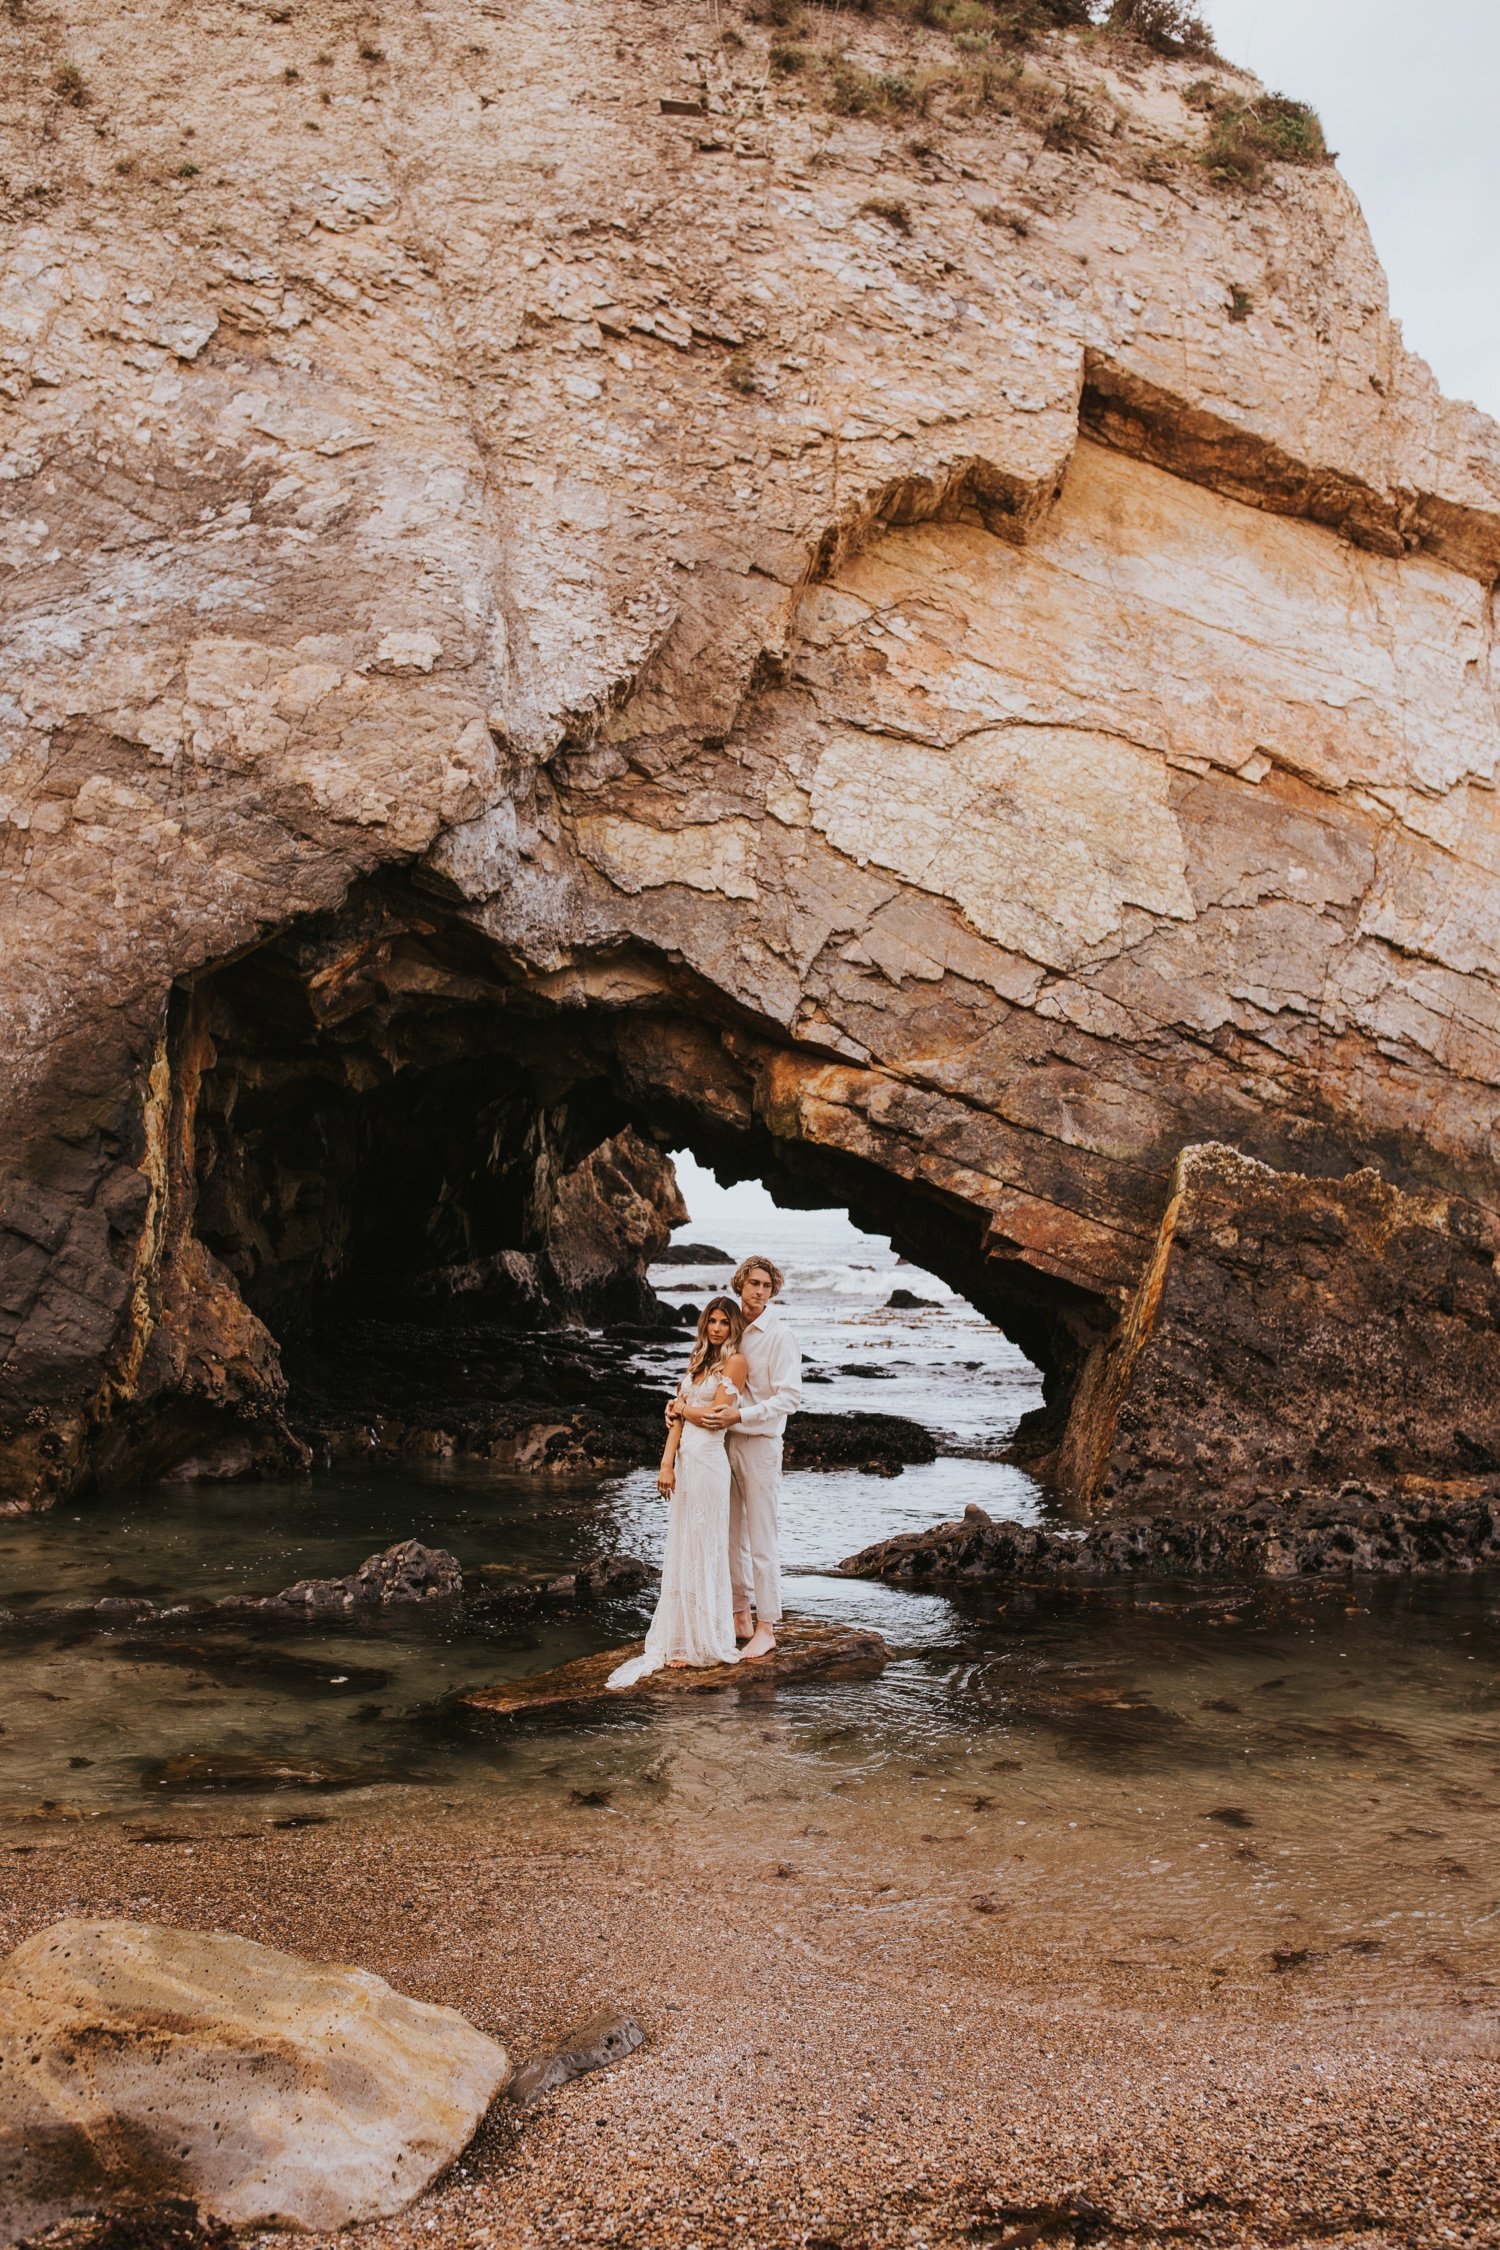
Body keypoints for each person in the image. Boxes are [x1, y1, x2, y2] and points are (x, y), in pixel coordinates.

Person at [606, 1297, 748, 1690]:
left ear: (733, 1327)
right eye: (711, 1322)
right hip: (685, 1462)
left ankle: (706, 1639)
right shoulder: (697, 1363)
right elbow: (675, 1423)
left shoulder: (735, 1363)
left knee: (705, 1543)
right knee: (683, 1544)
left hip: (709, 1464)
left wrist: (682, 1408)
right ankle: (681, 1637)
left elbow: (716, 1417)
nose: (716, 1329)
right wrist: (666, 1465)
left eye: (723, 1323)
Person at [684, 1254, 802, 1660]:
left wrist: (743, 1415)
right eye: (753, 1283)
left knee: (762, 1538)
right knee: (730, 1534)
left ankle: (767, 1626)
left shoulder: (779, 1335)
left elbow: (790, 1397)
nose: (759, 1291)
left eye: (767, 1286)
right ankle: (739, 1616)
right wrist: (679, 1406)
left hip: (761, 1444)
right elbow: (706, 1382)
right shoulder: (731, 1333)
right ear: (740, 1285)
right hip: (723, 1444)